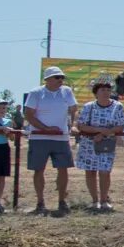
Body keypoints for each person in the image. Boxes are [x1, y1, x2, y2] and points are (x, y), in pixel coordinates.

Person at [24, 67, 78, 217]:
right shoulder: (36, 93)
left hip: (61, 137)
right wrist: (46, 129)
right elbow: (28, 114)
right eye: (56, 77)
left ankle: (62, 201)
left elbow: (74, 109)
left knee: (63, 169)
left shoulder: (66, 91)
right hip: (39, 137)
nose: (60, 80)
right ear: (47, 79)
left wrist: (73, 125)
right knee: (38, 169)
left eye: (62, 77)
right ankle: (40, 202)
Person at [74, 80, 124, 212]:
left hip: (107, 144)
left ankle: (104, 200)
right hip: (89, 144)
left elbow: (119, 126)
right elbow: (82, 125)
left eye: (108, 90)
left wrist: (103, 134)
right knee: (90, 172)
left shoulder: (117, 106)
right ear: (96, 93)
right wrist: (98, 131)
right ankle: (94, 200)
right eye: (102, 90)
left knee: (105, 172)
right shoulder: (88, 106)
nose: (106, 93)